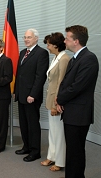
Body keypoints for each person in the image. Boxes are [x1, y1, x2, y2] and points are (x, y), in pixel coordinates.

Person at [56, 25, 99, 178]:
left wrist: (59, 98)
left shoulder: (89, 59)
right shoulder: (76, 58)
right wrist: (60, 99)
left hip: (79, 114)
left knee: (75, 152)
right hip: (71, 112)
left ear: (76, 41)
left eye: (67, 38)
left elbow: (77, 87)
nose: (65, 41)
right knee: (72, 151)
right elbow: (66, 82)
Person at [14, 28, 49, 162]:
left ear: (36, 38)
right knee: (23, 123)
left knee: (33, 124)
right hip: (21, 94)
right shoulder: (23, 52)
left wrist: (33, 94)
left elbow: (40, 77)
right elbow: (19, 75)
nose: (26, 39)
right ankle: (26, 146)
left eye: (29, 37)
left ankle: (35, 152)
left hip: (31, 96)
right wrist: (15, 92)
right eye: (25, 37)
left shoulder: (42, 53)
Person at [40, 32, 70, 171]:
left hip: (56, 102)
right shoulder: (56, 57)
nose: (47, 46)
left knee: (58, 134)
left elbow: (61, 83)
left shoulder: (64, 59)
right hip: (50, 98)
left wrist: (55, 105)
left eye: (49, 44)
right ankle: (51, 156)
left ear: (56, 46)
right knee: (52, 132)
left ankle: (60, 161)